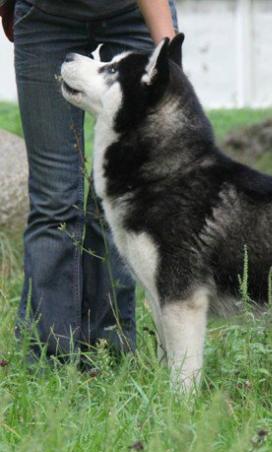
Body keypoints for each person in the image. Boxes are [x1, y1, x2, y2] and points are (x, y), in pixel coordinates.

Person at [0, 0, 177, 361]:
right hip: (46, 16)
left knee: (118, 196)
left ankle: (106, 350)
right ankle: (49, 357)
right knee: (54, 198)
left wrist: (167, 56)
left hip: (132, 12)